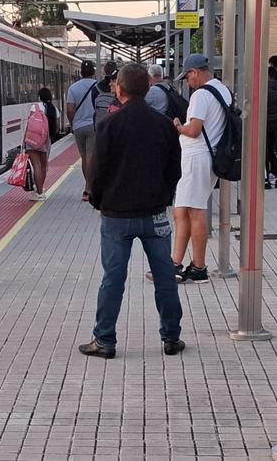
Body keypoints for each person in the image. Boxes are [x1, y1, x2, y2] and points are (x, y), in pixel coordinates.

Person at [79, 63, 184, 359]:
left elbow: (97, 172)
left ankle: (105, 340)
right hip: (154, 214)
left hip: (115, 215)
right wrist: (164, 196)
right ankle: (171, 338)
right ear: (148, 88)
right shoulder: (163, 124)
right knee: (165, 276)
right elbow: (174, 168)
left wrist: (99, 201)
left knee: (113, 277)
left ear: (119, 89)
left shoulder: (108, 125)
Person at [170, 53, 231, 284]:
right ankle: (177, 263)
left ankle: (198, 267)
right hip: (207, 157)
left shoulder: (201, 95)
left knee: (193, 212)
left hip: (197, 158)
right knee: (183, 210)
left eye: (187, 77)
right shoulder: (222, 90)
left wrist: (178, 126)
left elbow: (194, 130)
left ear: (195, 72)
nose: (187, 82)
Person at [66, 60, 98, 202]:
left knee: (84, 158)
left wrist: (73, 123)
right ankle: (89, 188)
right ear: (93, 72)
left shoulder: (73, 88)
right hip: (94, 125)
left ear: (81, 72)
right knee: (92, 157)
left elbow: (70, 109)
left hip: (79, 126)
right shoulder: (98, 86)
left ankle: (88, 187)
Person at [23, 96, 51, 201]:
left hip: (31, 142)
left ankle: (39, 192)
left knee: (36, 166)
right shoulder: (47, 109)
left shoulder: (33, 107)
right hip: (43, 141)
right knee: (43, 166)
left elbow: (28, 126)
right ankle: (41, 189)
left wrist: (24, 142)